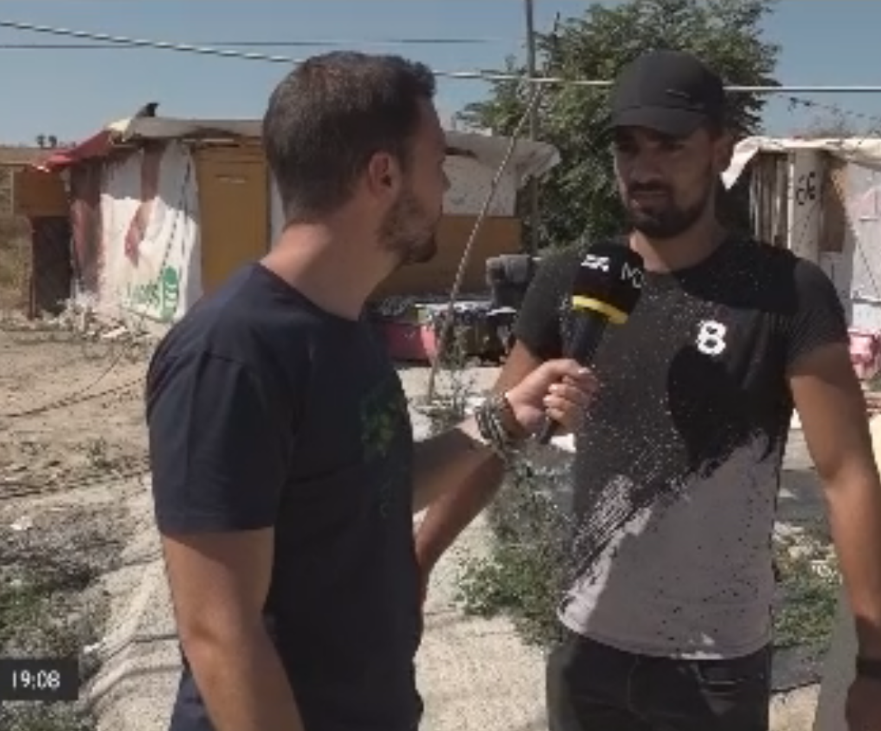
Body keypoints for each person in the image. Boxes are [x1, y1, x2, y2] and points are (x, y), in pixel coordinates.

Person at [413, 49, 881, 731]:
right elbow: (496, 438)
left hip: (715, 667)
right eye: (628, 146)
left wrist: (880, 668)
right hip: (585, 649)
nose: (643, 168)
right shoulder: (571, 280)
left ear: (720, 149)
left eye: (669, 145)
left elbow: (848, 476)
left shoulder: (783, 293)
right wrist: (417, 559)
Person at [144, 51, 598, 731]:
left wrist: (506, 416)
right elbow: (220, 631)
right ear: (383, 174)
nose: (445, 188)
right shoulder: (232, 353)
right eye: (437, 164)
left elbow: (373, 486)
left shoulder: (345, 326)